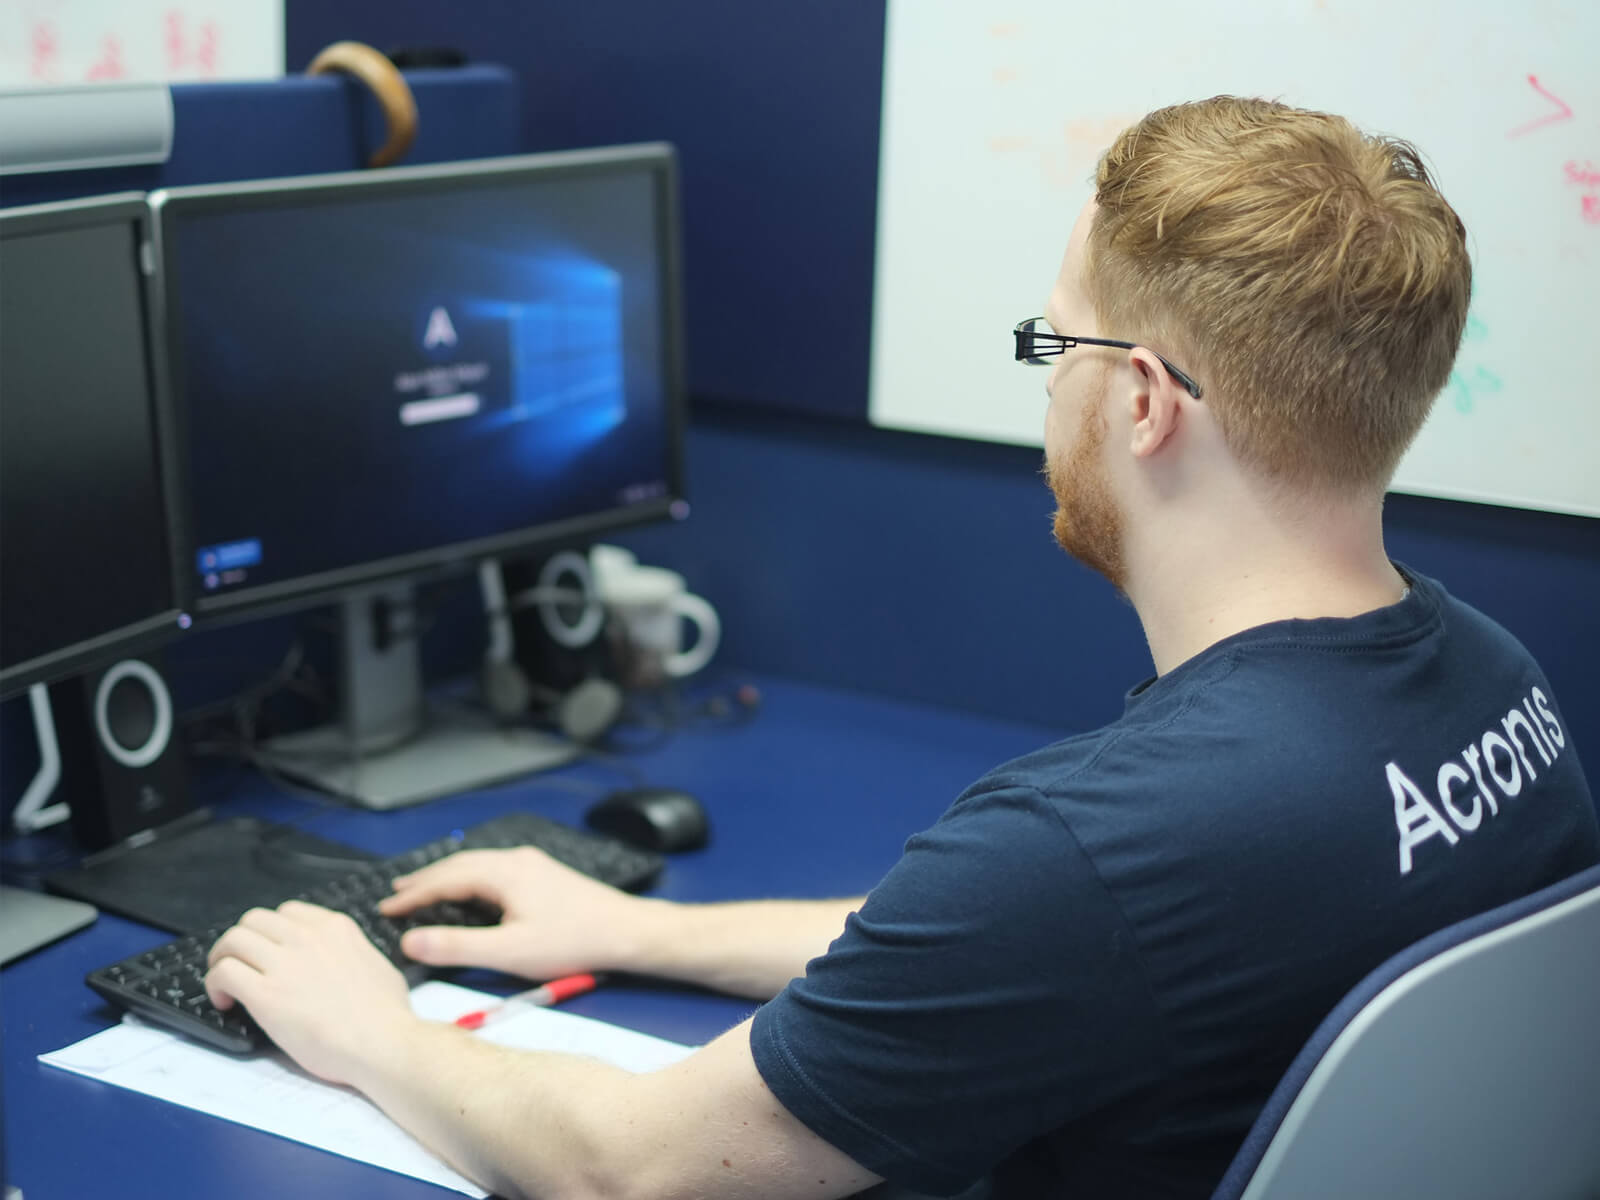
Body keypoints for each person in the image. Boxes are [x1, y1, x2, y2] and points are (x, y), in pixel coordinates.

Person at [205, 96, 1599, 1199]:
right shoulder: (1496, 685)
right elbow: (1043, 964)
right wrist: (643, 933)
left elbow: (625, 1170)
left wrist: (367, 1030)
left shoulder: (1105, 844)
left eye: (1059, 343)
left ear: (1146, 403)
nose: (1053, 388)